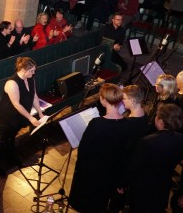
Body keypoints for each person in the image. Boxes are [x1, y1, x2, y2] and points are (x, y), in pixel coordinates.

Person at [69, 83, 130, 212]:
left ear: (103, 100)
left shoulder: (97, 124)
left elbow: (84, 151)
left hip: (93, 172)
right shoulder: (127, 124)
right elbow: (125, 154)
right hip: (112, 174)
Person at [118, 104, 183, 213]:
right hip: (163, 185)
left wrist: (122, 183)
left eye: (157, 116)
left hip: (143, 188)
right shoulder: (180, 139)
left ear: (161, 121)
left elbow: (134, 166)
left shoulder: (147, 141)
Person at [0, 57, 45, 170]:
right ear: (23, 69)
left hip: (20, 114)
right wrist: (31, 118)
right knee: (2, 139)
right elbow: (16, 104)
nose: (33, 73)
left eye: (34, 70)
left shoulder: (31, 79)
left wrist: (40, 114)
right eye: (31, 70)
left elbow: (34, 96)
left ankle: (11, 157)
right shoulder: (12, 83)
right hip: (8, 115)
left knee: (12, 137)